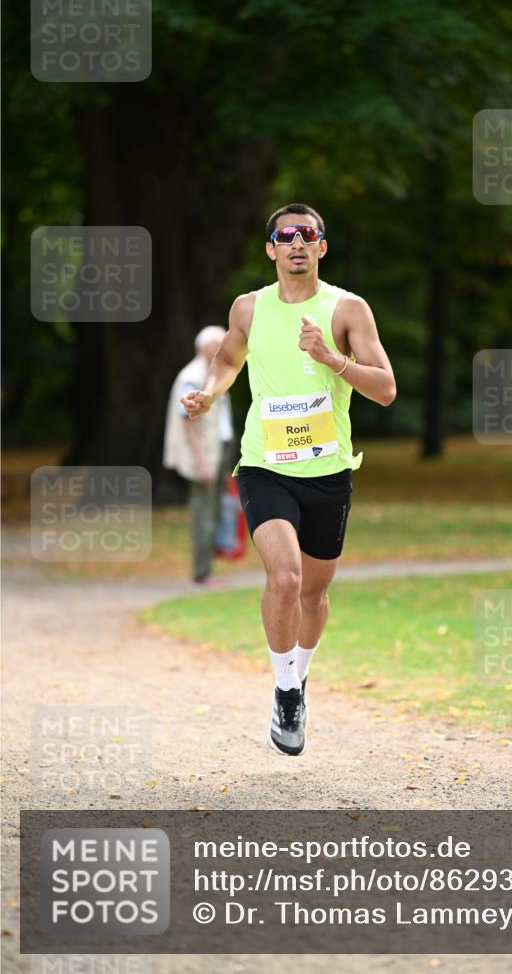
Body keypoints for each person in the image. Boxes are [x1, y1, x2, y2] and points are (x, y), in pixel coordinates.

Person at [181, 203, 396, 755]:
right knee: (286, 579)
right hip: (264, 465)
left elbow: (386, 388)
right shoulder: (249, 308)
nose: (297, 242)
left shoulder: (348, 309)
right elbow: (228, 358)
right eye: (286, 235)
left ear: (322, 246)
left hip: (328, 471)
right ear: (271, 249)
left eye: (308, 234)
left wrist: (332, 358)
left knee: (316, 594)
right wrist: (211, 391)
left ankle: (300, 673)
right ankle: (285, 693)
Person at [163, 326, 235, 584]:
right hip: (204, 456)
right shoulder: (192, 377)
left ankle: (208, 569)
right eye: (218, 344)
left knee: (213, 511)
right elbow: (188, 422)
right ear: (204, 347)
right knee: (203, 513)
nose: (224, 349)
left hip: (217, 452)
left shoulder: (211, 373)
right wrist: (202, 462)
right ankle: (201, 572)